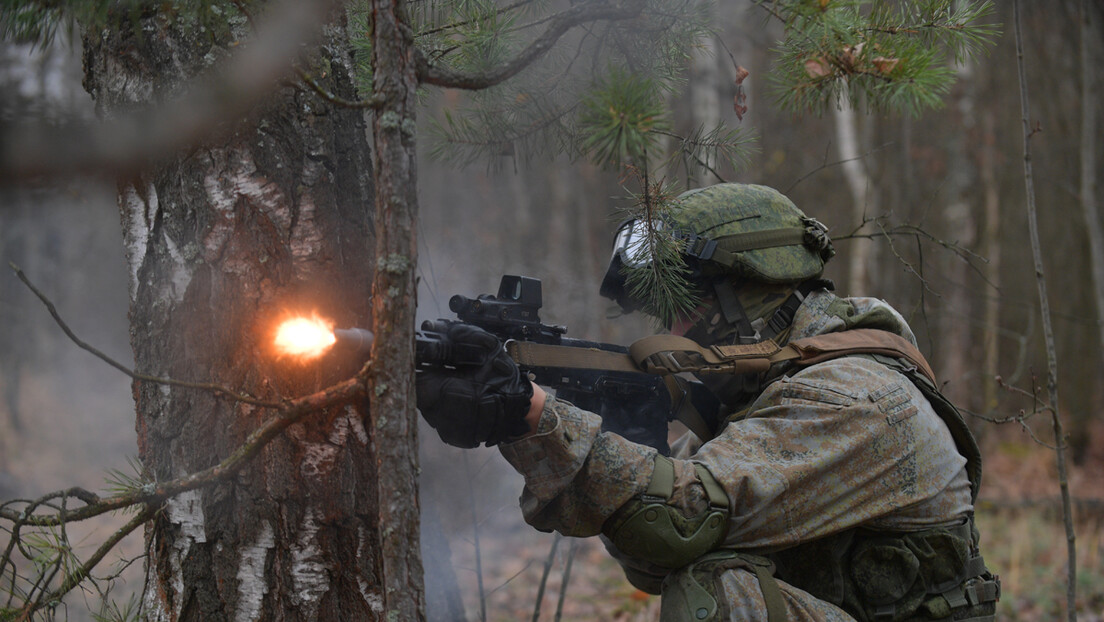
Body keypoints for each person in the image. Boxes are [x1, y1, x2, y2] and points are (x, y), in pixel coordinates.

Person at [416, 183, 1000, 621]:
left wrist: (534, 414)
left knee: (722, 591)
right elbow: (652, 563)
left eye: (683, 305)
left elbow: (682, 529)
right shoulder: (768, 397)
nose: (673, 329)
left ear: (743, 294)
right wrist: (633, 450)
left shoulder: (852, 397)